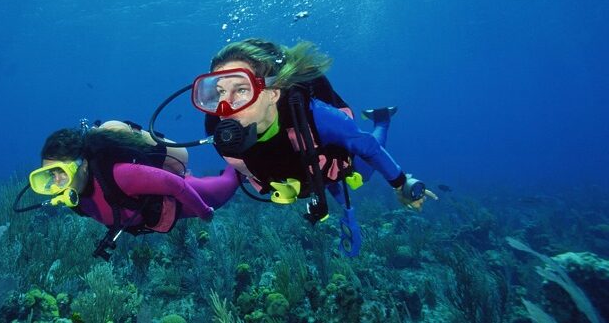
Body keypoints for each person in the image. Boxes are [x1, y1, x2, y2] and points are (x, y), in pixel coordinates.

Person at [191, 38, 437, 217]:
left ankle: (382, 119)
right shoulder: (218, 133)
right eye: (220, 92)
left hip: (329, 162)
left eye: (241, 90)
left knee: (362, 174)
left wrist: (402, 184)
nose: (225, 106)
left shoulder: (317, 116)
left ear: (273, 93)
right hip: (299, 175)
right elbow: (246, 170)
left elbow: (369, 147)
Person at [29, 120, 240, 259]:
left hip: (179, 200)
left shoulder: (121, 175)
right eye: (49, 175)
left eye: (61, 172)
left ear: (83, 165)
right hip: (154, 208)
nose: (56, 183)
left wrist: (204, 212)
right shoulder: (73, 194)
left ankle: (243, 161)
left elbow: (176, 185)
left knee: (225, 189)